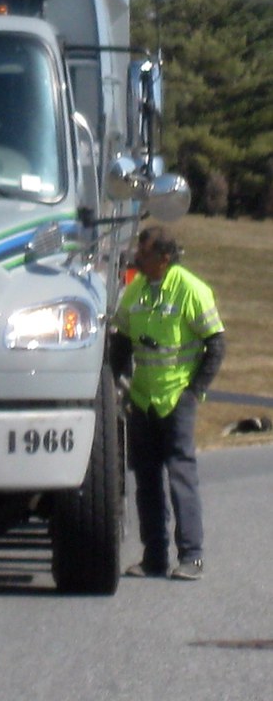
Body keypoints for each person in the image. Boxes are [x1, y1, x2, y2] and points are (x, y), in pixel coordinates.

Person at [110, 225, 225, 581]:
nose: (136, 259)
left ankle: (191, 556)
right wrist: (121, 387)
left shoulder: (191, 289)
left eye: (142, 254)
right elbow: (121, 344)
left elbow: (215, 345)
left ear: (164, 257)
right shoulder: (135, 292)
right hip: (143, 400)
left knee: (180, 475)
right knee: (145, 479)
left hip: (178, 397)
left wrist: (195, 391)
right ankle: (154, 556)